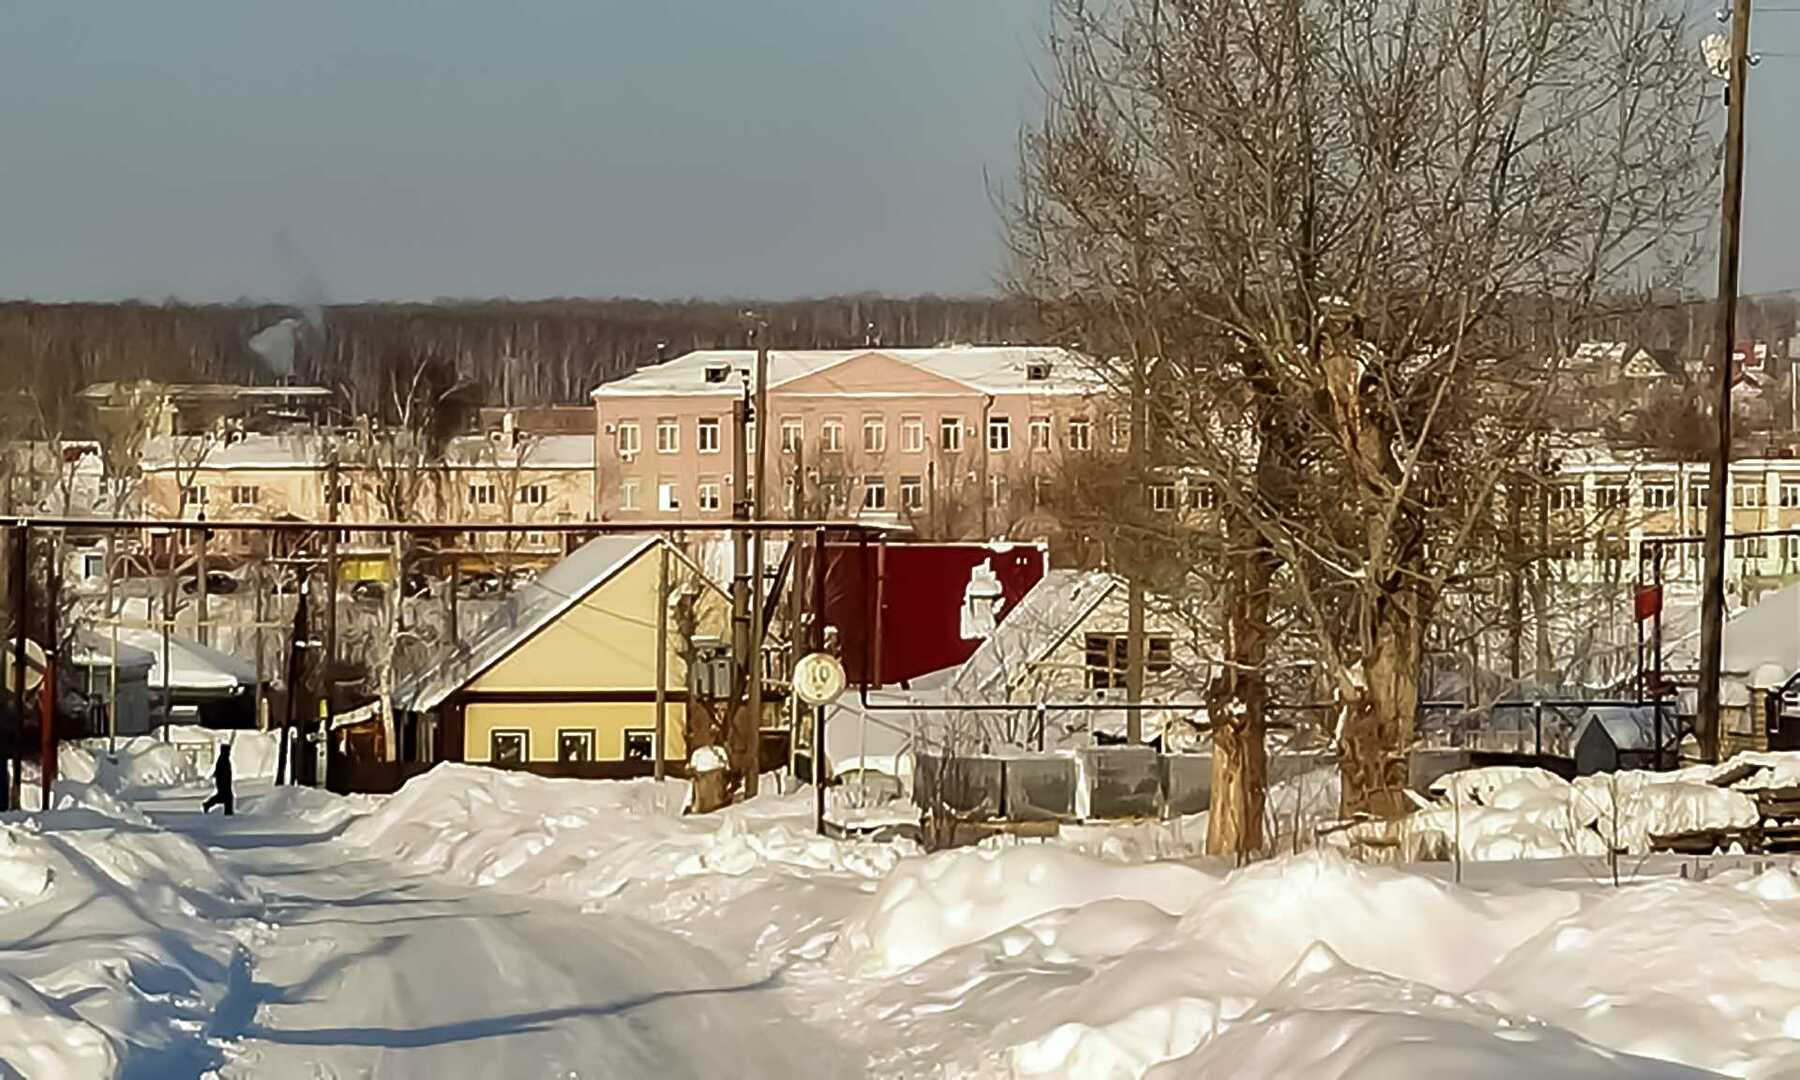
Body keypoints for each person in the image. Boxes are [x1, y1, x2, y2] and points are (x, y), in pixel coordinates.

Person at [201, 743, 234, 816]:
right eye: (228, 750)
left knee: (223, 797)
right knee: (226, 797)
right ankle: (228, 813)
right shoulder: (223, 759)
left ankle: (208, 805)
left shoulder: (223, 758)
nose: (229, 752)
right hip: (223, 782)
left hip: (224, 782)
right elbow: (221, 772)